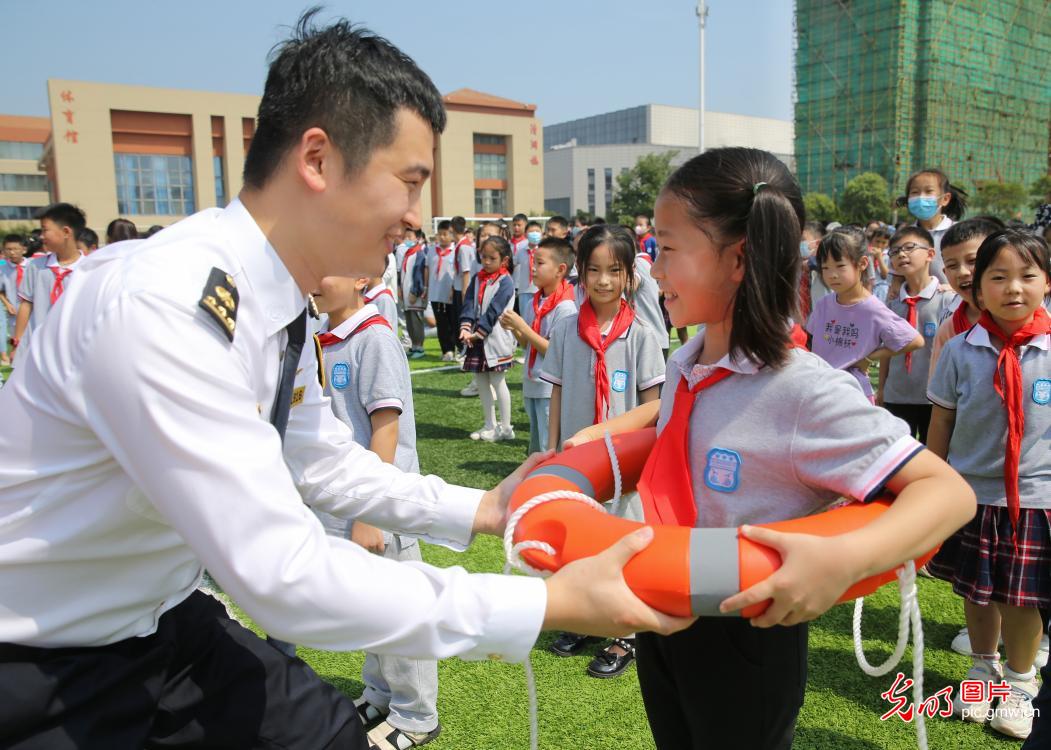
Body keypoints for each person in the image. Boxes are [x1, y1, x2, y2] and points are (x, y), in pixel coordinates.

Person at [0, 15, 692, 750]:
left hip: (162, 620)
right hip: (44, 664)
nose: (415, 216)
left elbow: (320, 459)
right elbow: (283, 576)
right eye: (409, 181)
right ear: (318, 159)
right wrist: (542, 604)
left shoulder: (274, 298)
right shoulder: (165, 308)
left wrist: (484, 508)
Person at [561, 147, 975, 750]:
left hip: (748, 627)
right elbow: (683, 427)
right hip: (662, 605)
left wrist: (844, 560)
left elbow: (948, 493)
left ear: (737, 260)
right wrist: (597, 439)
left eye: (669, 249)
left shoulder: (801, 387)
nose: (652, 268)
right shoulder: (687, 360)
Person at [927, 230, 1051, 740]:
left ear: (1047, 283)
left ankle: (1021, 683)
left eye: (1027, 276)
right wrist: (929, 484)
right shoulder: (960, 350)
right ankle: (983, 672)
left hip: (1037, 500)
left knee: (1021, 599)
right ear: (978, 290)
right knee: (976, 592)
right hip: (969, 495)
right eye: (997, 278)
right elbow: (941, 423)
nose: (1013, 288)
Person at [312, 273, 441, 748]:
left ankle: (416, 714)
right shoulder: (322, 337)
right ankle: (381, 693)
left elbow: (385, 428)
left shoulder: (375, 338)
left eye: (330, 268)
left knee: (400, 609)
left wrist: (369, 511)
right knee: (368, 607)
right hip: (345, 503)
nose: (316, 279)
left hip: (379, 505)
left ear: (361, 277)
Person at [540, 224, 665, 678]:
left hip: (626, 465)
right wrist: (551, 447)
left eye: (614, 270)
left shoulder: (643, 336)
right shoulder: (568, 329)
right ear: (580, 272)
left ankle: (626, 634)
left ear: (630, 275)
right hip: (577, 462)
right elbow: (555, 391)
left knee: (625, 541)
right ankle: (587, 619)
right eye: (594, 270)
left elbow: (653, 409)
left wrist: (619, 442)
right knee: (583, 539)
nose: (604, 281)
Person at [804, 226, 923, 402]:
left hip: (854, 395)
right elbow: (810, 339)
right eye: (826, 267)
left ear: (862, 264)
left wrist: (868, 358)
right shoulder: (824, 304)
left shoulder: (873, 308)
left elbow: (914, 340)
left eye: (840, 266)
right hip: (821, 390)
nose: (832, 275)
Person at [877, 225, 956, 441]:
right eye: (894, 252)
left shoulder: (947, 300)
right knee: (899, 456)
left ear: (930, 254)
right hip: (897, 395)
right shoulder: (892, 303)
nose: (901, 254)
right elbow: (888, 348)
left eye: (909, 247)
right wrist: (882, 388)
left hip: (935, 398)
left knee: (934, 456)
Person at [500, 236, 576, 453]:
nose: (533, 269)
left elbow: (555, 351)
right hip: (532, 381)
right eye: (533, 263)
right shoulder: (536, 300)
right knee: (535, 446)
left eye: (540, 264)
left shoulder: (565, 307)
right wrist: (514, 327)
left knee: (548, 446)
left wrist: (522, 327)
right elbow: (527, 344)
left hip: (549, 387)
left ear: (560, 270)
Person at [10, 202, 86, 365]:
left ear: (66, 232)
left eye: (45, 230)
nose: (41, 236)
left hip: (72, 348)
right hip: (37, 346)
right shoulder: (36, 266)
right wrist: (17, 342)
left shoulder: (88, 269)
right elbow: (26, 304)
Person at [929, 217, 1005, 376]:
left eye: (973, 261)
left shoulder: (1034, 319)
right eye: (952, 265)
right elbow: (939, 391)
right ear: (945, 273)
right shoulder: (949, 329)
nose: (962, 272)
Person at [459, 235, 516, 441]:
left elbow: (494, 311)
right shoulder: (477, 278)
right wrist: (465, 328)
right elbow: (468, 304)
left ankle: (506, 428)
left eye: (492, 258)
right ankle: (490, 424)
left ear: (504, 260)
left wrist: (477, 333)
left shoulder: (506, 282)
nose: (487, 261)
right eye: (484, 257)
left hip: (495, 340)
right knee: (481, 381)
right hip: (477, 339)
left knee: (498, 382)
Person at [893, 168, 968, 285]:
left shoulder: (960, 232)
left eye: (928, 191)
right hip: (916, 301)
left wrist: (954, 289)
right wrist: (896, 282)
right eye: (915, 192)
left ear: (945, 199)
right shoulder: (905, 236)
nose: (921, 197)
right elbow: (897, 268)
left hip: (954, 298)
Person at [632, 230, 672, 360]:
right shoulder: (640, 263)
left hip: (652, 343)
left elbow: (630, 285)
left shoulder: (637, 264)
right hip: (649, 341)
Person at [425, 219, 458, 361]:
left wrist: (453, 288)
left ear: (451, 234)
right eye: (440, 234)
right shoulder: (432, 250)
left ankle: (456, 348)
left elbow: (457, 272)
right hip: (435, 293)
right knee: (441, 323)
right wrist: (426, 287)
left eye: (446, 234)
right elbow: (427, 268)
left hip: (450, 293)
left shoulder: (456, 250)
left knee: (453, 322)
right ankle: (446, 350)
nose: (443, 237)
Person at [400, 228, 428, 359]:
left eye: (409, 236)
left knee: (416, 321)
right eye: (405, 236)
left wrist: (415, 292)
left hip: (414, 295)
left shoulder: (419, 254)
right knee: (410, 321)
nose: (407, 239)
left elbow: (419, 276)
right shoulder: (407, 253)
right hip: (406, 295)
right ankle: (414, 345)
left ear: (417, 238)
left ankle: (420, 347)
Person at [0, 234, 27, 367]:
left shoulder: (33, 266)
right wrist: (7, 304)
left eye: (15, 249)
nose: (12, 252)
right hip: (14, 314)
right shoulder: (2, 269)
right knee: (16, 343)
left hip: (31, 313)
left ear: (24, 249)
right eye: (8, 249)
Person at [450, 215, 475, 352]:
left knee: (463, 321)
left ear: (452, 229)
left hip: (463, 289)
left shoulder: (464, 247)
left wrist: (465, 293)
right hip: (458, 287)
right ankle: (463, 349)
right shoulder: (461, 245)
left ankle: (466, 349)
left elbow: (466, 271)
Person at [513, 220, 542, 314]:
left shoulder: (544, 251)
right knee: (525, 317)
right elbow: (512, 265)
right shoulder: (520, 251)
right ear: (525, 234)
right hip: (524, 290)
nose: (535, 234)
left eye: (537, 231)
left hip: (540, 289)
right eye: (531, 232)